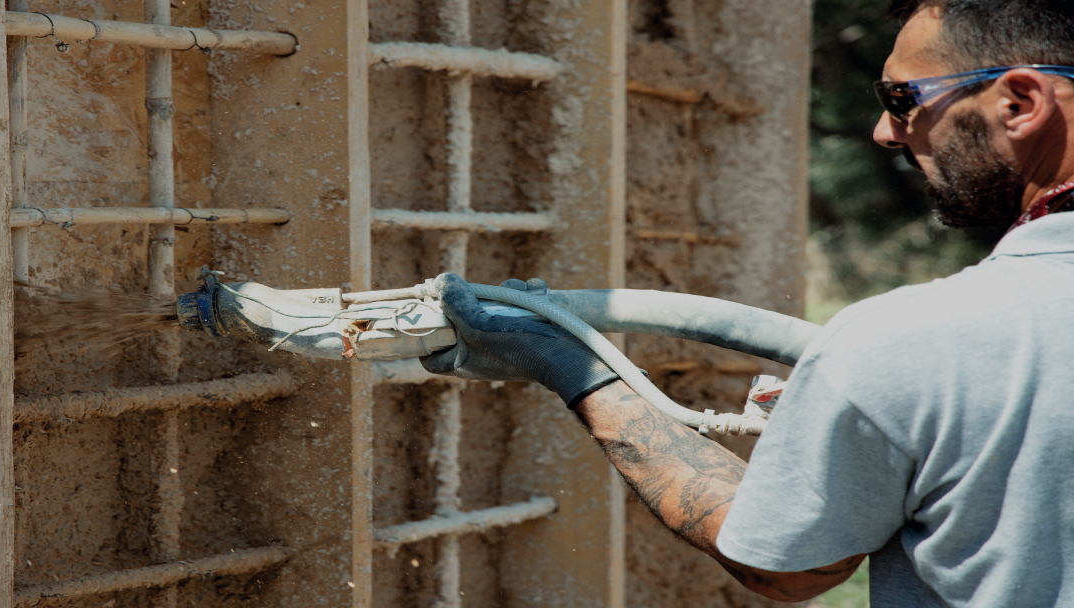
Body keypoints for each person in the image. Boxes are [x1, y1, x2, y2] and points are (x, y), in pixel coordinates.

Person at [419, 1, 1074, 605]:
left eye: (902, 98)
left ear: (1019, 101)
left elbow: (785, 566)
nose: (885, 132)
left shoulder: (916, 343)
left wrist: (572, 368)